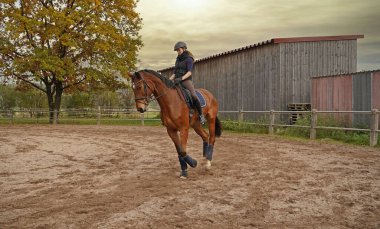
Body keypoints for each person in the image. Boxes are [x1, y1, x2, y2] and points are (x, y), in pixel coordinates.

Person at [170, 41, 206, 125]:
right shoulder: (177, 60)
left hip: (186, 80)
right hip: (177, 80)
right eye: (176, 51)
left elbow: (190, 72)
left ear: (183, 49)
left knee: (193, 95)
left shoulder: (189, 59)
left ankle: (201, 115)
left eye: (178, 50)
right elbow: (174, 73)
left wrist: (181, 78)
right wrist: (168, 80)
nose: (177, 52)